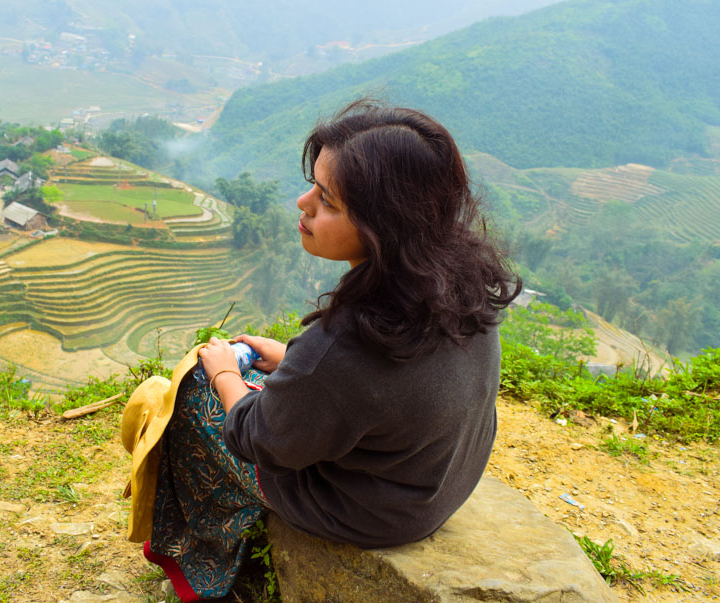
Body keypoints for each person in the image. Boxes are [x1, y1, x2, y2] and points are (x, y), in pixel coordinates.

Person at [143, 100, 521, 601]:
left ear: (383, 225)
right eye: (313, 186)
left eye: (327, 200)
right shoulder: (465, 281)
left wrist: (222, 376)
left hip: (368, 513)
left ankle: (211, 564)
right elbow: (377, 388)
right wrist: (293, 360)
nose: (304, 204)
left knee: (192, 395)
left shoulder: (343, 346)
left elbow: (260, 439)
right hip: (440, 482)